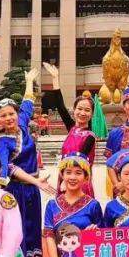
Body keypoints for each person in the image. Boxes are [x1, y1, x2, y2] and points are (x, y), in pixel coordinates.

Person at [0, 67, 54, 257]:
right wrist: (35, 180)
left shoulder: (22, 126)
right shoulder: (2, 142)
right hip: (15, 192)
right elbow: (7, 169)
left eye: (11, 113)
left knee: (33, 230)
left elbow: (28, 102)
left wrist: (29, 81)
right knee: (17, 232)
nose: (9, 118)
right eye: (3, 115)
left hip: (31, 192)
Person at [42, 62, 99, 197]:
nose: (82, 113)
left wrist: (66, 181)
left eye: (87, 110)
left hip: (79, 181)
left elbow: (79, 160)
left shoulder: (90, 136)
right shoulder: (72, 128)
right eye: (79, 109)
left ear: (92, 114)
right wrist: (55, 78)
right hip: (65, 177)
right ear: (74, 110)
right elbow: (60, 107)